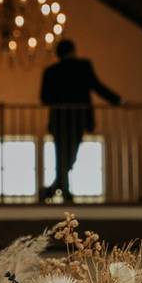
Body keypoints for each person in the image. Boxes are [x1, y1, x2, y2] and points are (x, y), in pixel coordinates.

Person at [40, 39, 121, 203]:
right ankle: (61, 190)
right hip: (78, 119)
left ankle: (54, 189)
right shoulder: (83, 66)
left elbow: (45, 98)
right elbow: (97, 87)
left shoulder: (51, 71)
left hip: (59, 120)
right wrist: (117, 100)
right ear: (73, 51)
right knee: (69, 155)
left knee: (62, 155)